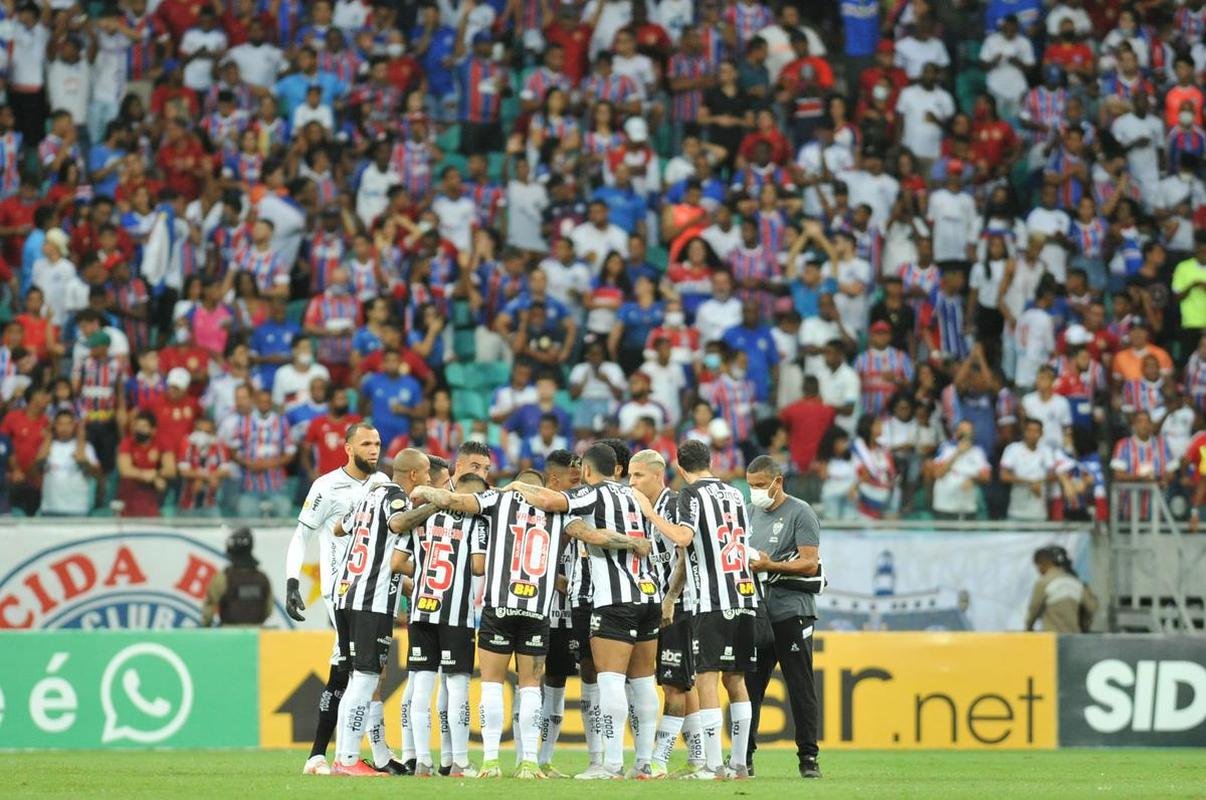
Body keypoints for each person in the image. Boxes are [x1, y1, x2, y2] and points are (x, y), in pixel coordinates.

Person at [410, 453, 649, 779]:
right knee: (530, 688)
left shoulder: (497, 499)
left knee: (492, 684)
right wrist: (633, 543)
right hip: (537, 609)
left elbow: (454, 499)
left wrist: (425, 493)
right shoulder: (560, 512)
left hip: (500, 605)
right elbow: (594, 536)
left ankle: (492, 761)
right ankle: (529, 763)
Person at [506, 443, 662, 780]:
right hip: (648, 593)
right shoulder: (635, 496)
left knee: (610, 682)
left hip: (615, 599)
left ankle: (613, 764)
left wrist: (518, 484)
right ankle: (646, 763)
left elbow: (550, 501)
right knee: (643, 681)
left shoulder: (591, 494)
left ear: (588, 471)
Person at [632, 438, 758, 780]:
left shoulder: (690, 494)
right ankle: (739, 765)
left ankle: (713, 766)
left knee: (706, 681)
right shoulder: (735, 493)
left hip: (711, 601)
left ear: (678, 465)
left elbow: (683, 539)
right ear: (711, 460)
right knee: (737, 681)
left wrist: (650, 514)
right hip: (745, 596)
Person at [286, 422, 391, 776]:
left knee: (350, 669)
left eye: (377, 443)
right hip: (340, 592)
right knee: (356, 669)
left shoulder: (383, 486)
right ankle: (343, 756)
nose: (374, 449)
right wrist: (291, 582)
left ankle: (327, 755)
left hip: (372, 590)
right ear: (348, 448)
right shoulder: (326, 487)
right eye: (366, 444)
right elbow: (302, 536)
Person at [329, 449, 440, 778]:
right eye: (428, 476)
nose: (431, 481)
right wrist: (436, 504)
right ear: (414, 476)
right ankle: (347, 760)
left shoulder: (370, 492)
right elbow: (396, 523)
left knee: (357, 679)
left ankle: (348, 757)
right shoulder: (394, 497)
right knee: (365, 678)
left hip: (345, 593)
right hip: (369, 599)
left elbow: (338, 528)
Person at [394, 471, 489, 777]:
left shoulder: (422, 517)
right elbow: (478, 567)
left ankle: (422, 760)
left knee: (421, 688)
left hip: (421, 609)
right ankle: (459, 761)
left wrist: (423, 570)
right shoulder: (475, 522)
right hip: (455, 615)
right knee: (457, 686)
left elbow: (396, 563)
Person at [744, 456, 823, 779]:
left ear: (778, 482)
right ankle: (743, 757)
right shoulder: (749, 513)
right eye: (750, 486)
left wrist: (770, 565)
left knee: (800, 688)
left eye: (761, 485)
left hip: (792, 613)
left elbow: (810, 564)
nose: (755, 492)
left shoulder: (800, 512)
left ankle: (808, 758)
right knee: (749, 689)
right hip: (757, 612)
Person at [627, 449, 698, 779]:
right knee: (684, 684)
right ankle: (699, 760)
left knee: (674, 686)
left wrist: (670, 597)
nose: (632, 481)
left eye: (638, 475)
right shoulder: (640, 509)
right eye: (629, 475)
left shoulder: (673, 505)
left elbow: (684, 555)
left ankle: (659, 760)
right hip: (653, 605)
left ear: (658, 475)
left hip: (678, 606)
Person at [200, 528, 273, 626]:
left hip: (229, 635)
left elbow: (208, 609)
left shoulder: (223, 578)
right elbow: (268, 610)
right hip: (257, 635)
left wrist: (206, 627)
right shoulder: (263, 579)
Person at [1024, 546, 1098, 632]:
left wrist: (1028, 628)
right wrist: (1085, 627)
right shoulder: (1076, 583)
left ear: (1040, 564)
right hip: (1074, 637)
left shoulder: (1044, 582)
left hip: (1052, 638)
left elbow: (1033, 609)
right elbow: (1092, 607)